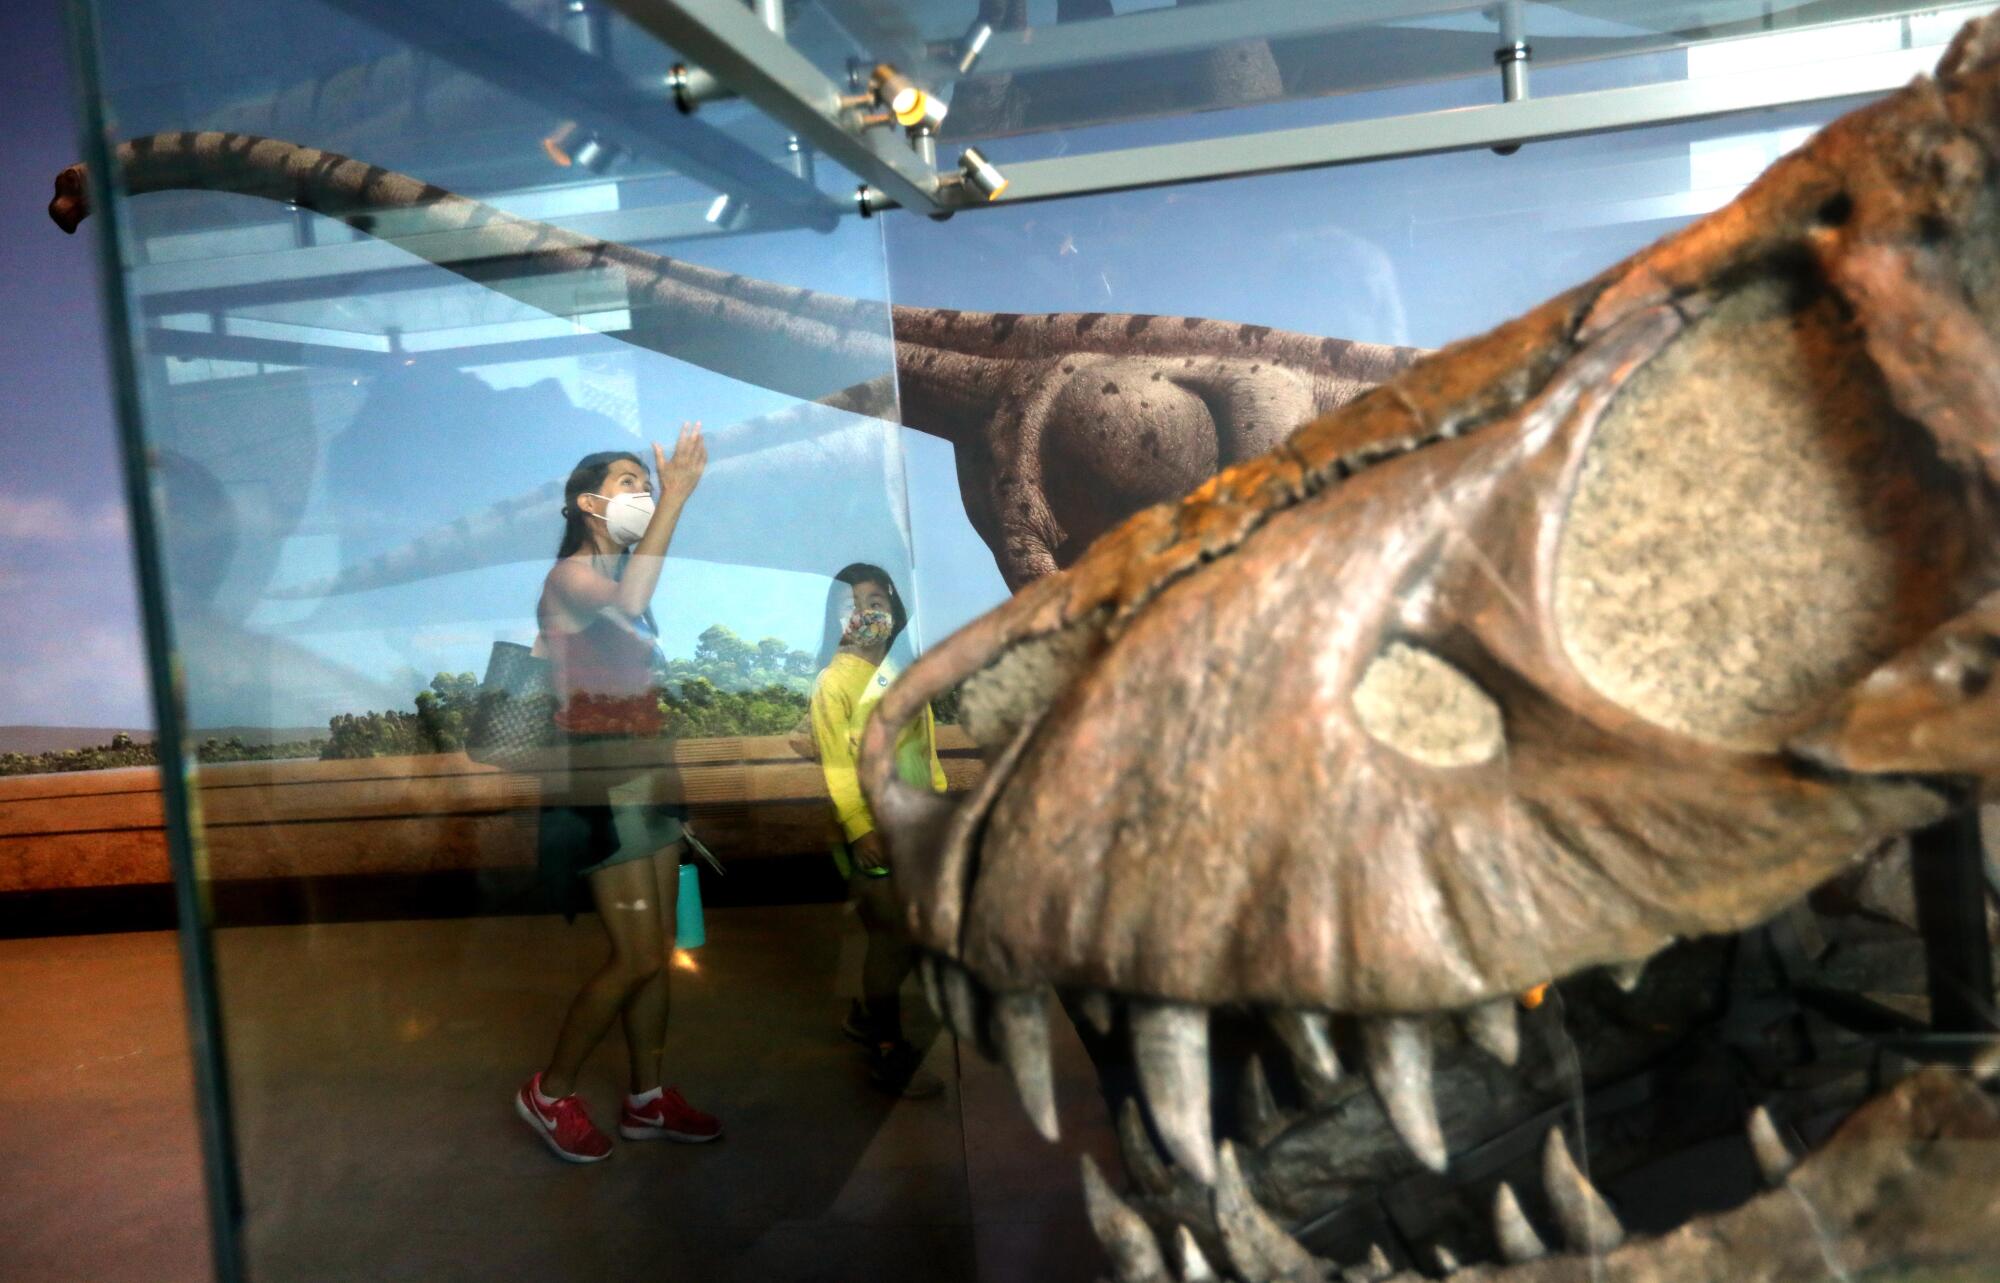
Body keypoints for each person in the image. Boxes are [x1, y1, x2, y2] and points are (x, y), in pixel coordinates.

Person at [514, 424, 723, 1163]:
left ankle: (647, 1099)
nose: (643, 490)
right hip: (598, 787)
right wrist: (678, 497)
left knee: (659, 949)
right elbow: (630, 600)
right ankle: (549, 1090)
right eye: (630, 482)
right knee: (634, 955)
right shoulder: (570, 576)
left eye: (646, 481)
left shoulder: (610, 577)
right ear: (587, 502)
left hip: (645, 780)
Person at [809, 563, 947, 1098]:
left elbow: (927, 751)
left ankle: (867, 1017)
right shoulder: (833, 683)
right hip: (876, 837)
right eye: (854, 603)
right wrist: (860, 829)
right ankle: (888, 1050)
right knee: (890, 941)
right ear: (836, 618)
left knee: (910, 935)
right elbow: (836, 769)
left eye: (877, 599)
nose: (867, 611)